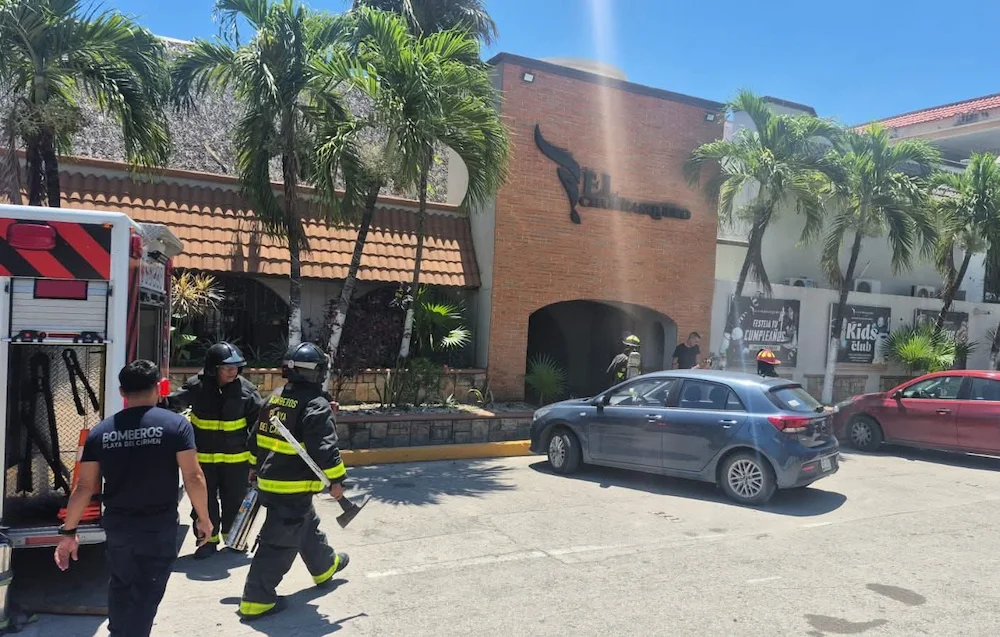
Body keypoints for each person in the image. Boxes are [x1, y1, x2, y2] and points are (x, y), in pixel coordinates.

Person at [55, 360, 212, 637]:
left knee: (121, 583)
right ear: (158, 388)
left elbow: (84, 487)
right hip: (158, 525)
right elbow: (193, 477)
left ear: (121, 392)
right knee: (147, 591)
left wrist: (69, 531)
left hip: (118, 525)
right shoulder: (176, 426)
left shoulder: (100, 432)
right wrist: (204, 518)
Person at [239, 342, 350, 621]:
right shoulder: (315, 404)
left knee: (305, 524)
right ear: (316, 373)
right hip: (293, 486)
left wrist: (254, 467)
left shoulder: (275, 397)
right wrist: (336, 481)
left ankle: (325, 566)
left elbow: (255, 438)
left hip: (270, 482)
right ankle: (257, 599)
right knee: (280, 541)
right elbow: (324, 448)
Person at [168, 342, 263, 559]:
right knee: (203, 503)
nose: (233, 371)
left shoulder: (247, 391)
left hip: (236, 462)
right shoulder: (196, 386)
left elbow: (258, 428)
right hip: (202, 462)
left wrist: (255, 463)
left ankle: (234, 539)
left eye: (236, 367)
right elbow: (172, 406)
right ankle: (207, 542)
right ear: (213, 368)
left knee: (235, 502)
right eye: (226, 367)